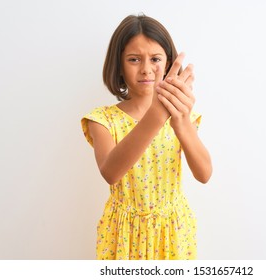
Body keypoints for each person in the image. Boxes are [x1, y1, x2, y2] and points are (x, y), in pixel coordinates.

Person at [81, 14, 212, 260]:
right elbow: (111, 173)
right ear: (118, 65)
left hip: (173, 231)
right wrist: (156, 115)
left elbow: (204, 173)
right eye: (134, 59)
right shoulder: (102, 120)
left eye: (155, 59)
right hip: (123, 234)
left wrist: (180, 121)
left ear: (169, 62)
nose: (146, 69)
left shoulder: (183, 116)